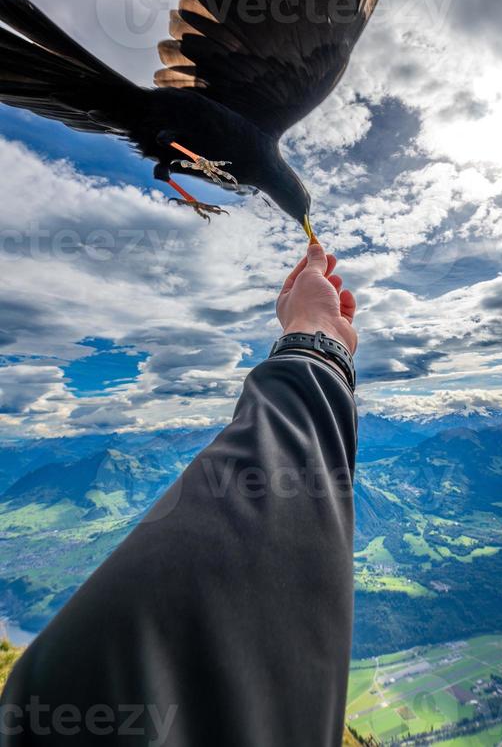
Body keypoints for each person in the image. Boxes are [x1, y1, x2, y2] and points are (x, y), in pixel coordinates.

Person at [0, 239, 359, 747]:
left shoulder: (50, 707)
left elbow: (110, 672)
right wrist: (318, 340)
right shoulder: (64, 697)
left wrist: (313, 337)